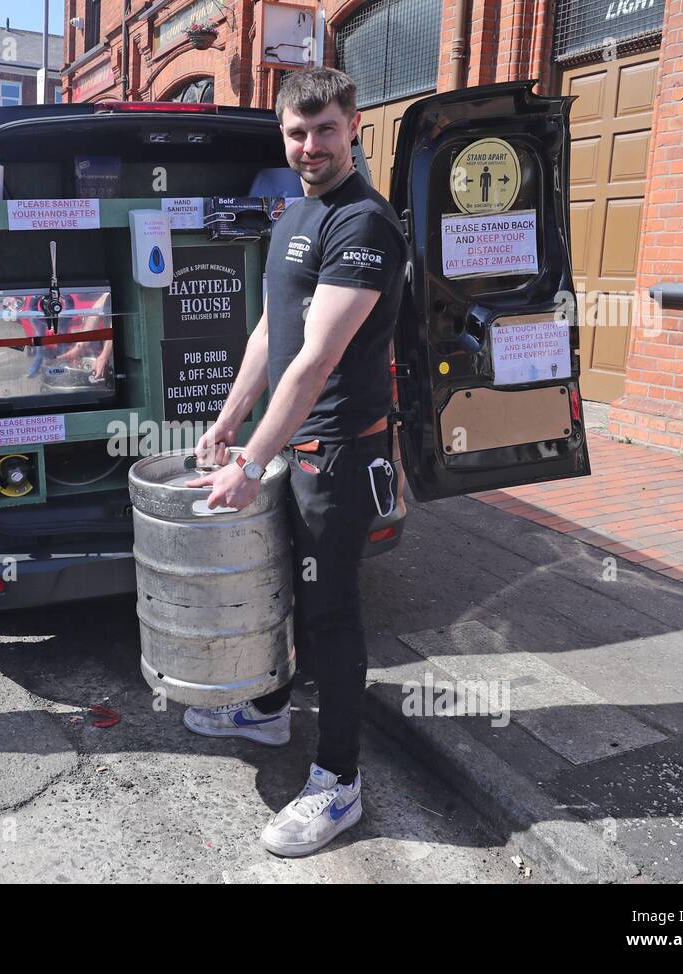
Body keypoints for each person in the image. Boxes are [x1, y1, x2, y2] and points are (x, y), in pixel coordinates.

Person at [182, 67, 408, 858]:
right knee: (277, 591)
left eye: (324, 130)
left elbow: (314, 364)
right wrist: (226, 424)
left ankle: (339, 783)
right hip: (289, 447)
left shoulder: (364, 225)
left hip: (338, 454)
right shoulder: (296, 214)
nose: (310, 145)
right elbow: (270, 335)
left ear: (353, 128)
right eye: (296, 132)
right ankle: (268, 707)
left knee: (332, 613)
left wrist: (250, 460)